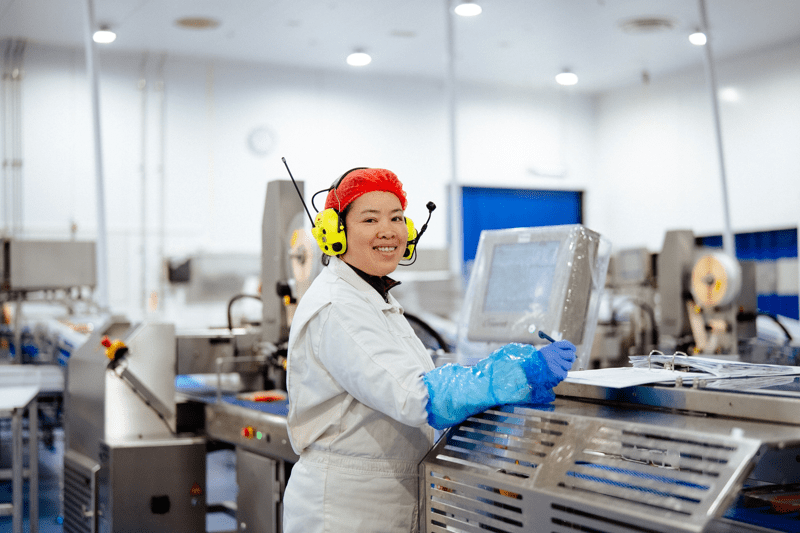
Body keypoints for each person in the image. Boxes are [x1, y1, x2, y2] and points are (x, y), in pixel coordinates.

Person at [282, 167, 576, 533]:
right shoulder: (339, 306)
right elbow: (415, 396)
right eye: (370, 219)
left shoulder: (371, 297)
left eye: (396, 218)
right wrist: (514, 373)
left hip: (383, 498)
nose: (388, 230)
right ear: (335, 232)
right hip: (347, 510)